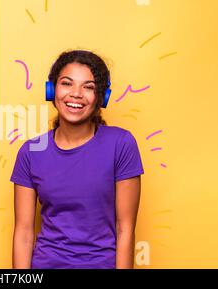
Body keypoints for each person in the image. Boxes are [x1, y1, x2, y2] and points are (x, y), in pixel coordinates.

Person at [11, 50, 143, 269]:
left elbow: (125, 229)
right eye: (67, 84)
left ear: (102, 97)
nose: (76, 94)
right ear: (51, 90)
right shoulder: (30, 152)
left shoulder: (121, 144)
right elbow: (24, 233)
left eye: (88, 87)